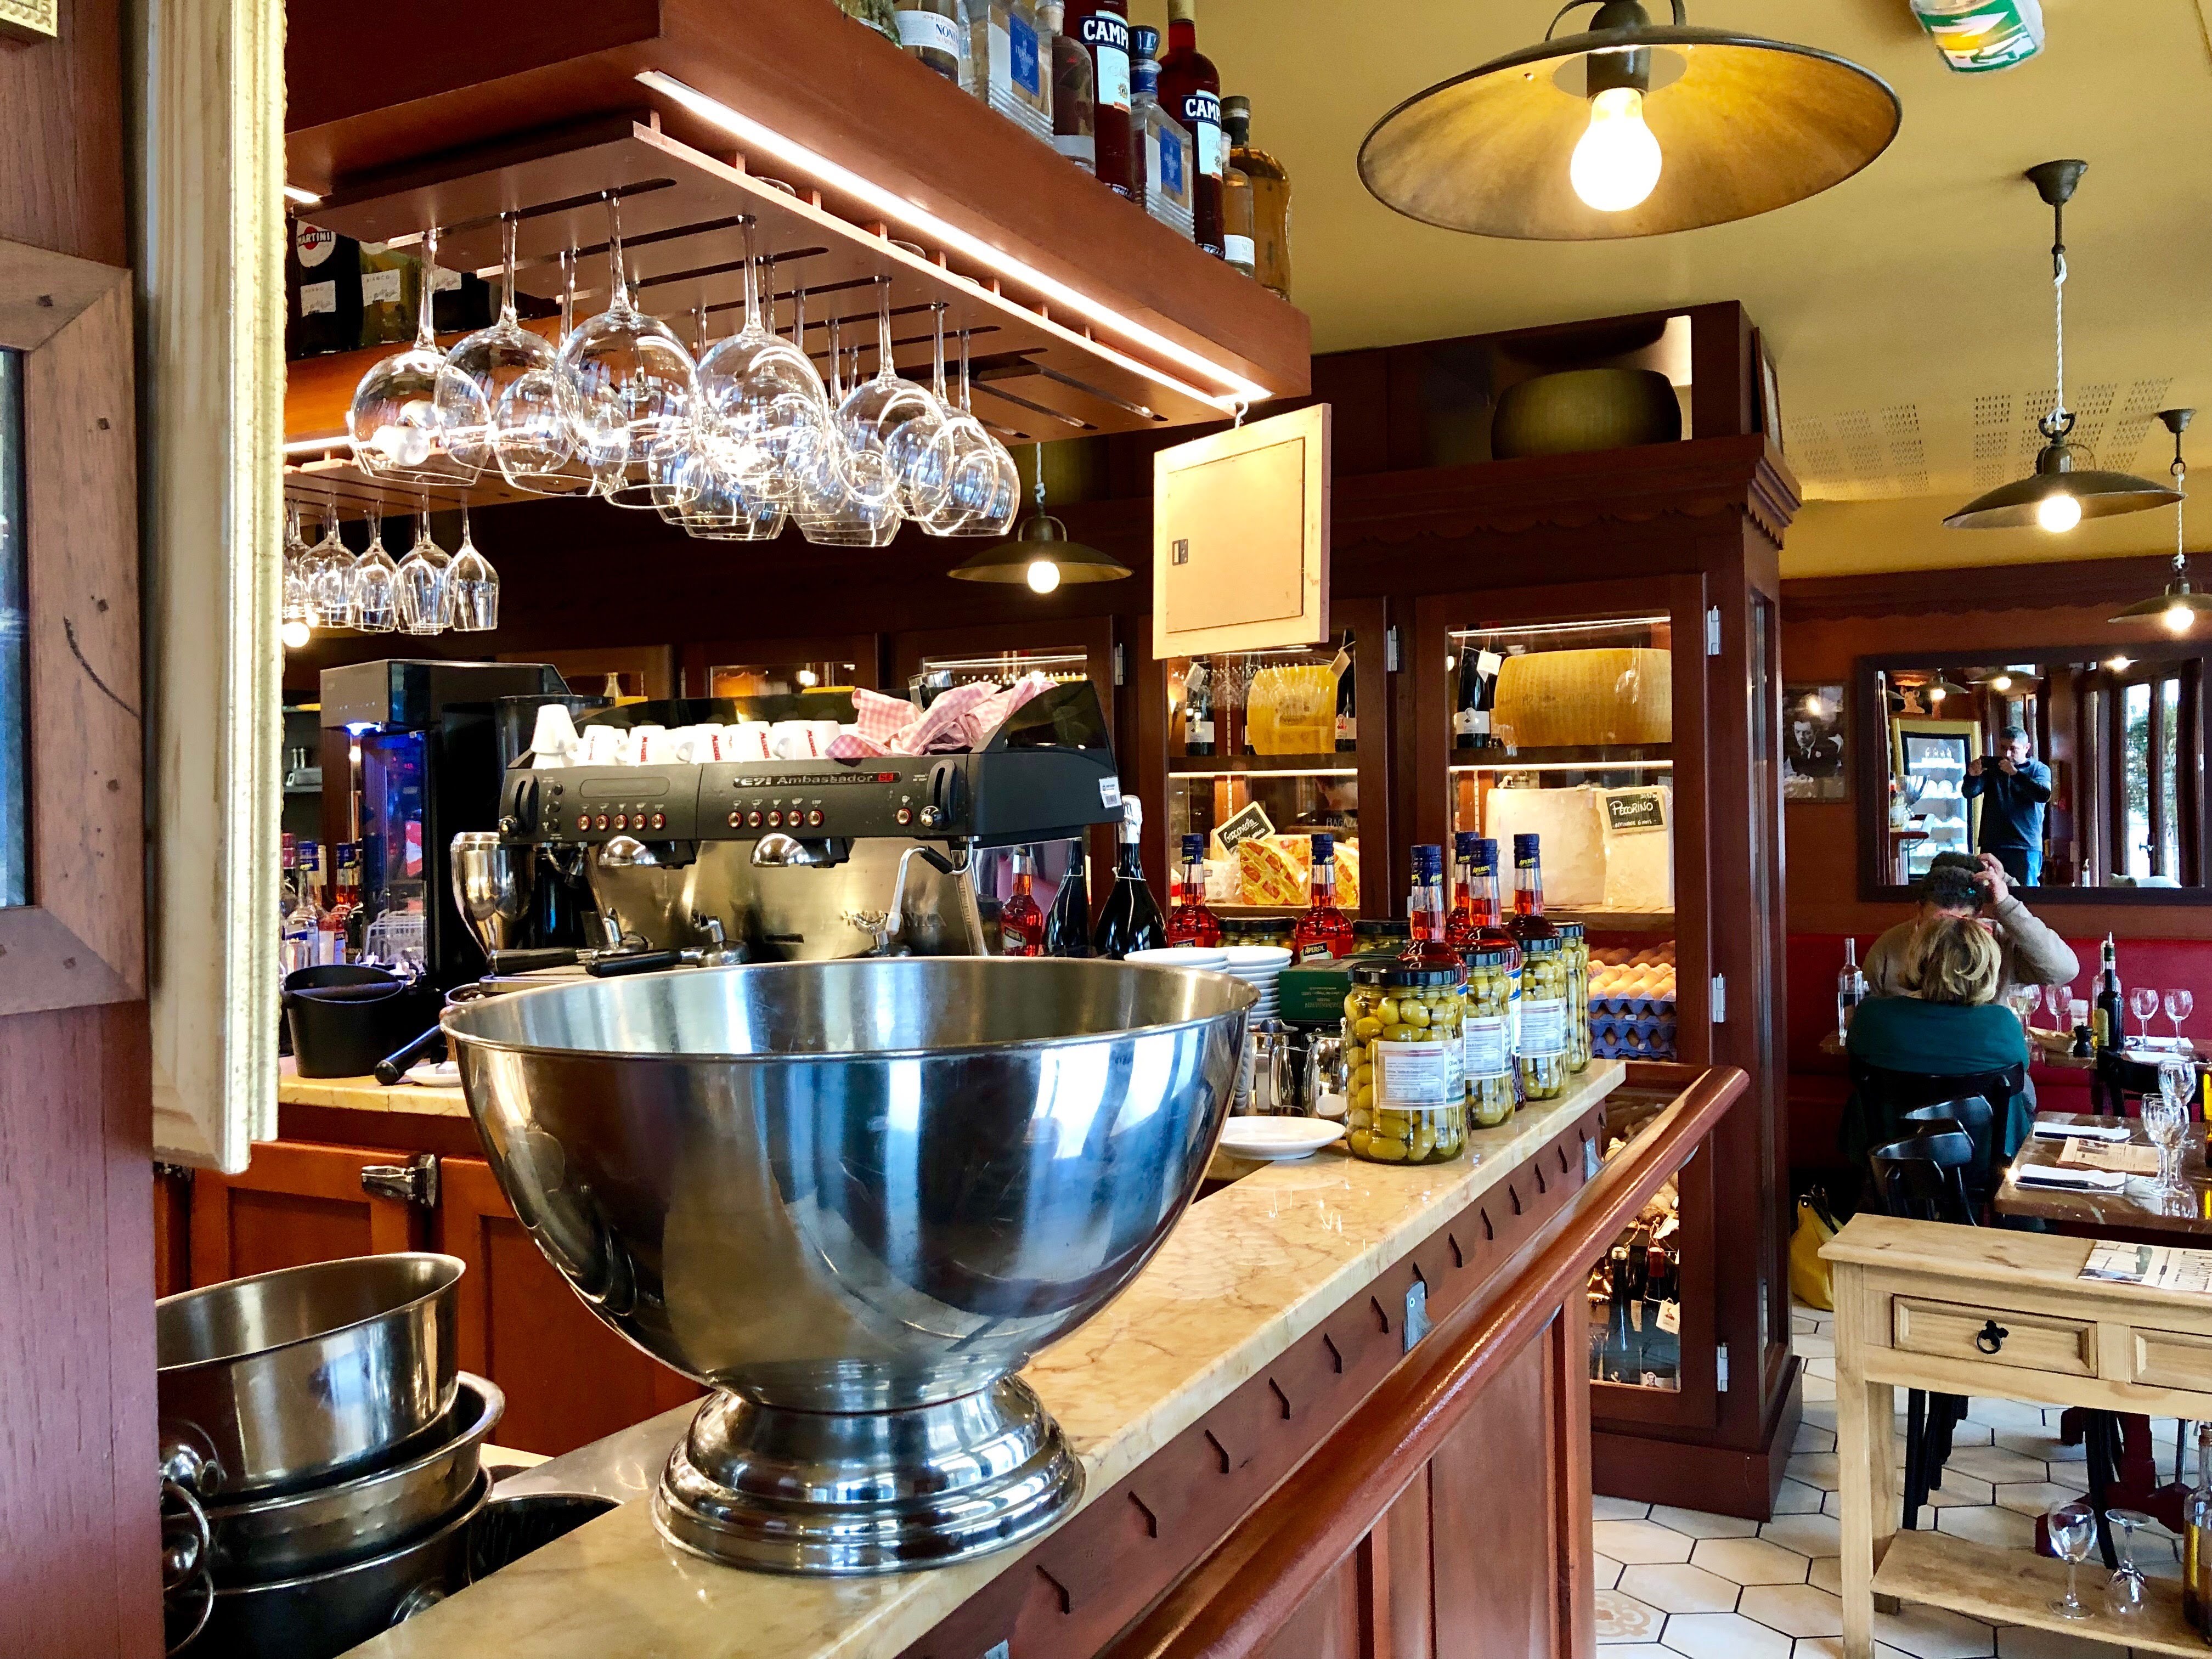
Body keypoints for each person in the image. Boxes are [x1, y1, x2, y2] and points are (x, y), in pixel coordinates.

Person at [1843, 912, 2033, 1171]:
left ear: (1917, 960)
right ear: (1987, 968)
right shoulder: (2002, 1024)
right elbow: (2021, 1069)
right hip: (1984, 1165)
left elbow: (1853, 1057)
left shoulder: (1871, 1016)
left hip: (1892, 1165)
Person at [1864, 850, 2078, 1007]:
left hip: (1989, 1052)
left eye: (1963, 921)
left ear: (1979, 916)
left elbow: (2063, 970)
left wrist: (2007, 905)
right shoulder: (1889, 947)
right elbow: (1865, 1014)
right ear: (1919, 911)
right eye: (1939, 922)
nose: (1948, 932)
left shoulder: (2000, 940)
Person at [1962, 726, 2052, 887]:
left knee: (2026, 894)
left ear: (2027, 748)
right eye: (2003, 748)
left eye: (2013, 749)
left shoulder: (2039, 769)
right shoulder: (1992, 768)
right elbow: (1969, 793)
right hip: (1993, 844)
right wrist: (1972, 776)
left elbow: (2043, 795)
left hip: (2025, 845)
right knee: (1990, 893)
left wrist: (2015, 774)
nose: (2007, 754)